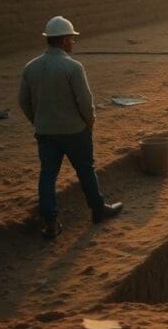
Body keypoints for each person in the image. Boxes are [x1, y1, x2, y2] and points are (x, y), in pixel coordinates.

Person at [20, 16, 123, 240]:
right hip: (75, 131)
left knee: (47, 176)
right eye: (72, 39)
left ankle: (50, 223)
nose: (73, 43)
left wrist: (38, 122)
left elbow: (23, 101)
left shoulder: (31, 67)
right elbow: (85, 102)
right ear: (65, 40)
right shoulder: (72, 67)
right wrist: (89, 124)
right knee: (85, 169)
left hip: (46, 133)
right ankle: (98, 209)